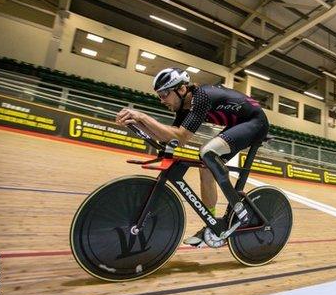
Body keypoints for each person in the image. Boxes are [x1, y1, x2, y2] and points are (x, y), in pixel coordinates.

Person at [115, 67, 269, 247]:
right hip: (241, 124)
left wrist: (142, 116)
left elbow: (180, 136)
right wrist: (137, 123)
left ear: (181, 89)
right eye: (159, 95)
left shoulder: (201, 96)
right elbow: (171, 138)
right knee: (206, 170)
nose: (162, 99)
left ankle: (239, 210)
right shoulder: (184, 107)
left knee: (207, 152)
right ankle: (212, 224)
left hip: (255, 123)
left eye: (164, 93)